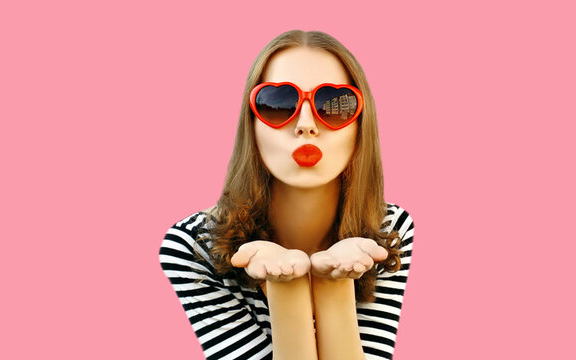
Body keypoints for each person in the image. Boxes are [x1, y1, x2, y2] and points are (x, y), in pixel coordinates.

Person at [159, 29, 414, 360]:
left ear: (360, 126)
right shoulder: (194, 246)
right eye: (278, 104)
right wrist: (286, 288)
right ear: (251, 127)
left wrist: (332, 283)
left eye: (332, 105)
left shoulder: (388, 229)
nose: (306, 124)